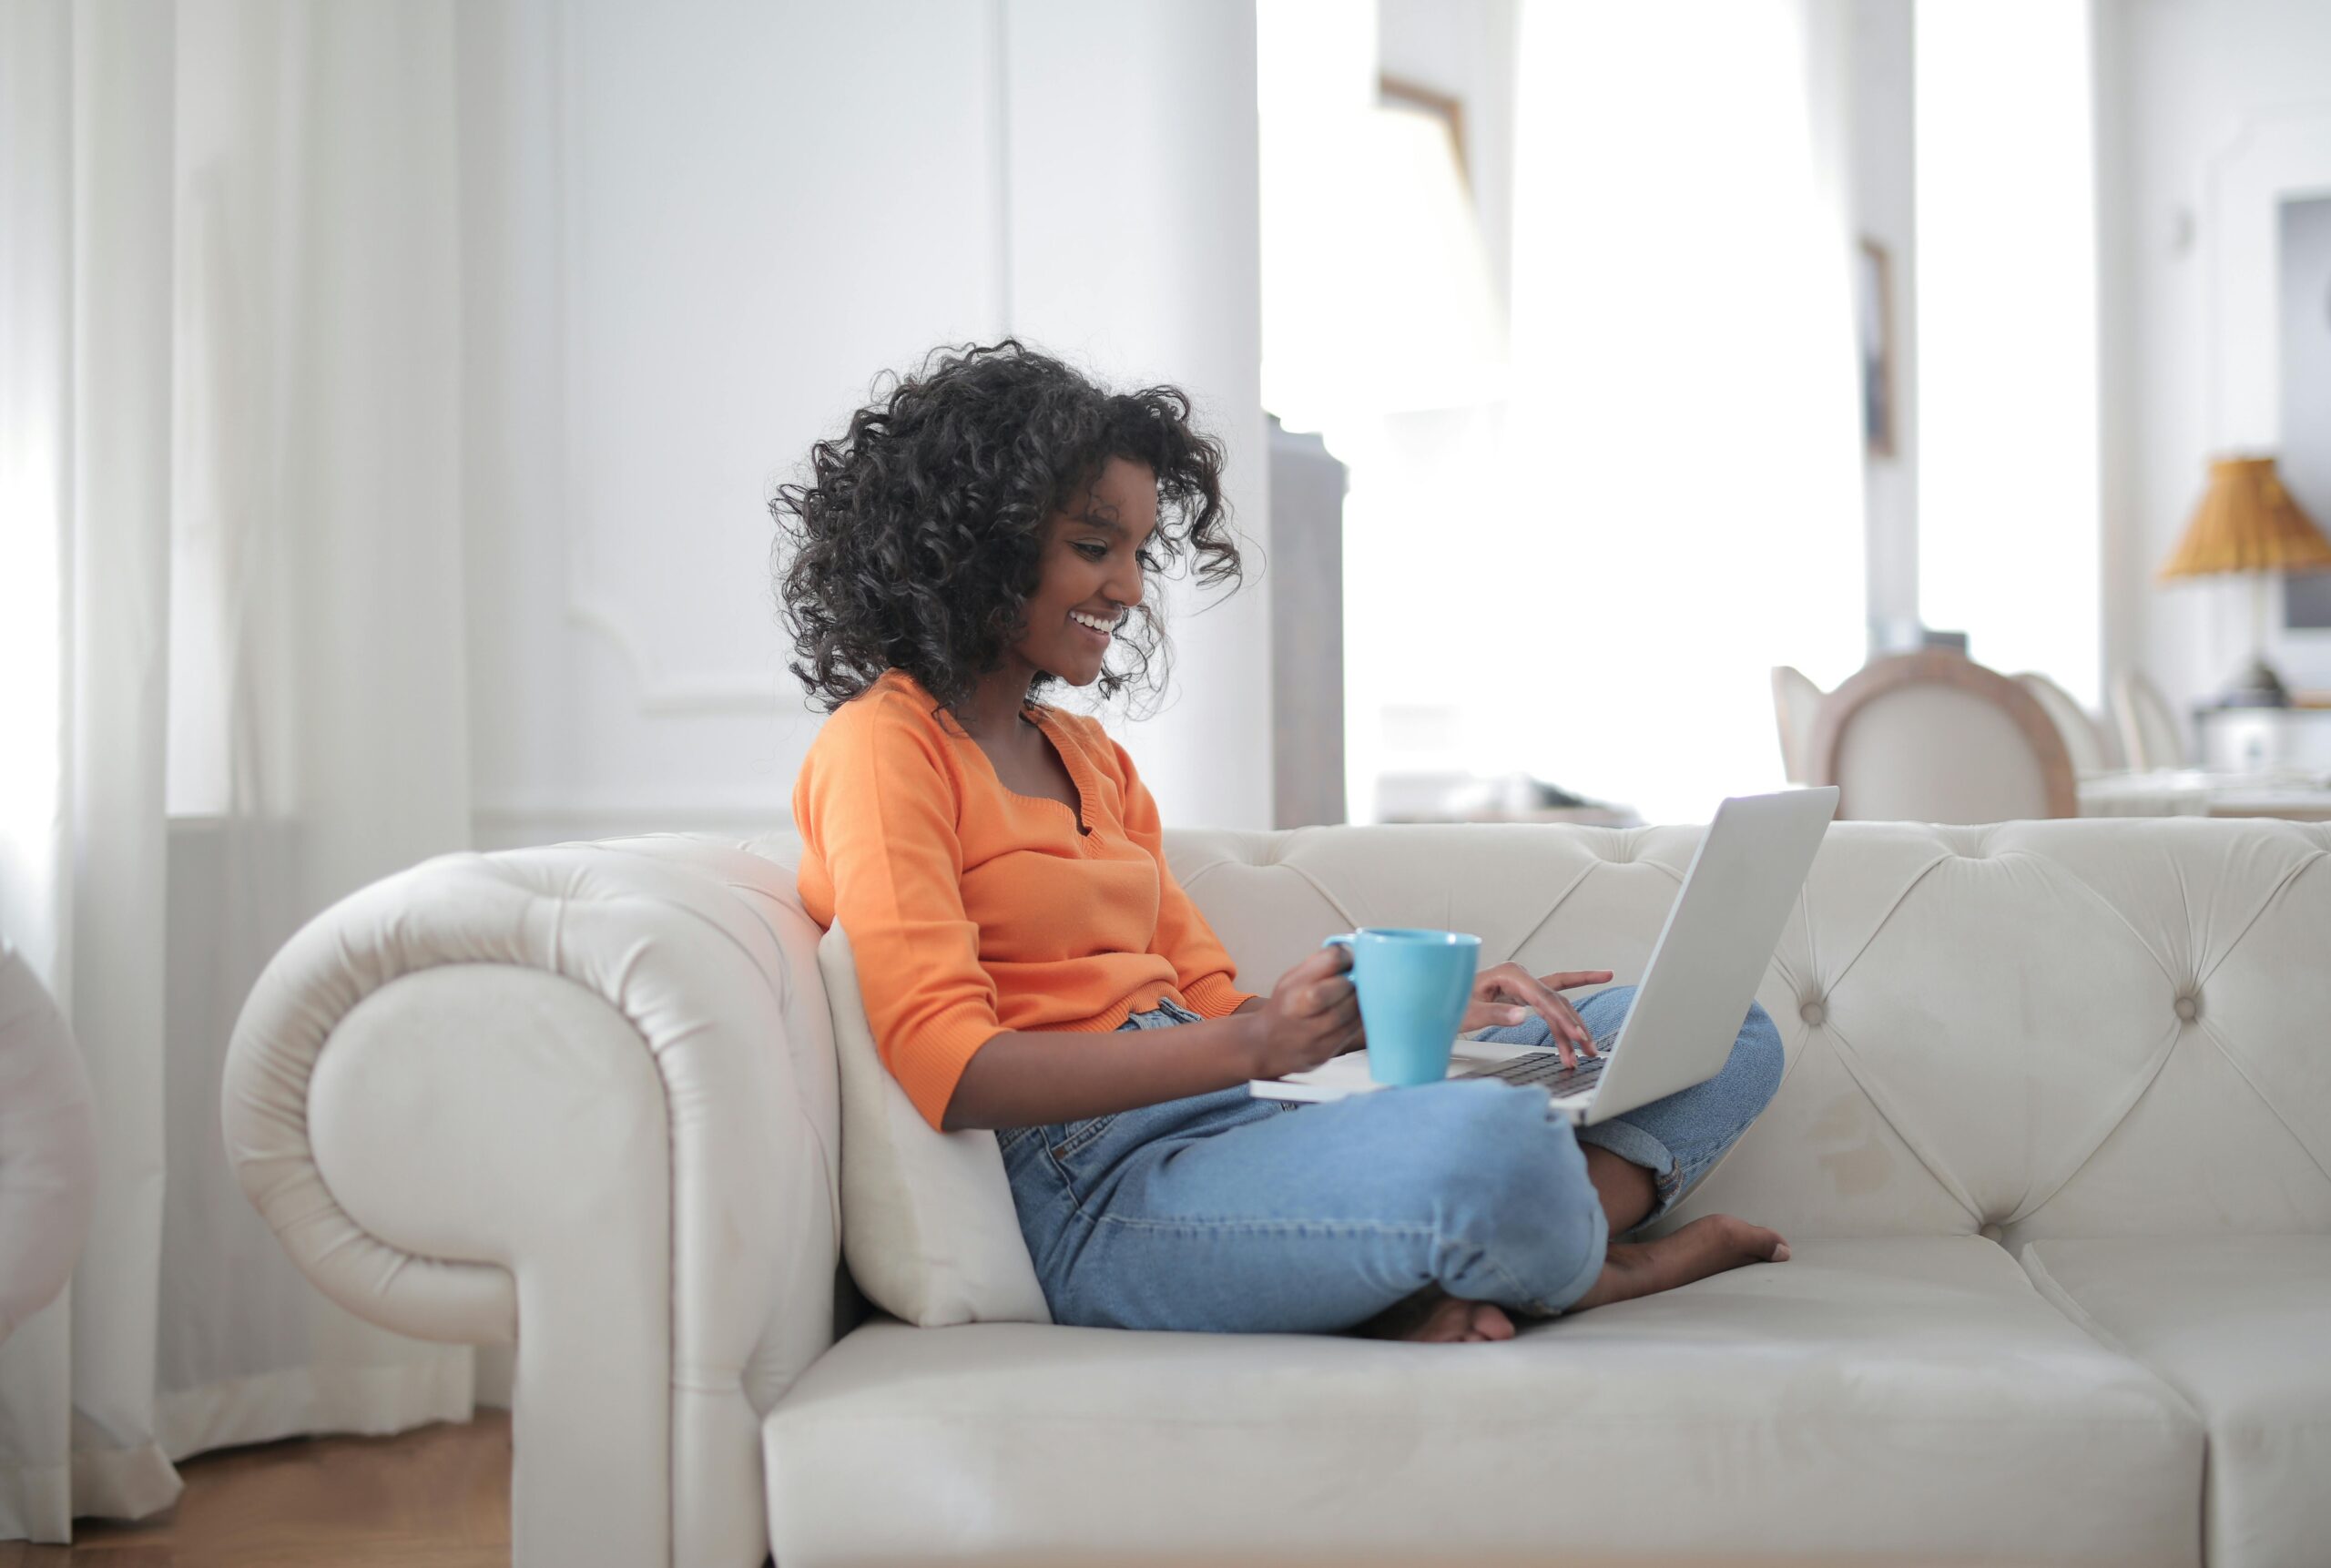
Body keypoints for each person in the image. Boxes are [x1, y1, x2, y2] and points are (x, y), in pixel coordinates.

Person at [775, 340, 1788, 1343]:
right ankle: (1609, 1268)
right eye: (1094, 546)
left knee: (1716, 1031)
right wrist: (1252, 1046)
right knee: (1492, 1143)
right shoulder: (884, 748)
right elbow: (952, 1070)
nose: (1127, 589)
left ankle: (1470, 1261)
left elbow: (1212, 1009)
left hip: (1243, 1115)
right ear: (978, 541)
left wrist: (1398, 1016)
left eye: (1137, 552)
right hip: (1099, 1190)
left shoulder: (1090, 759)